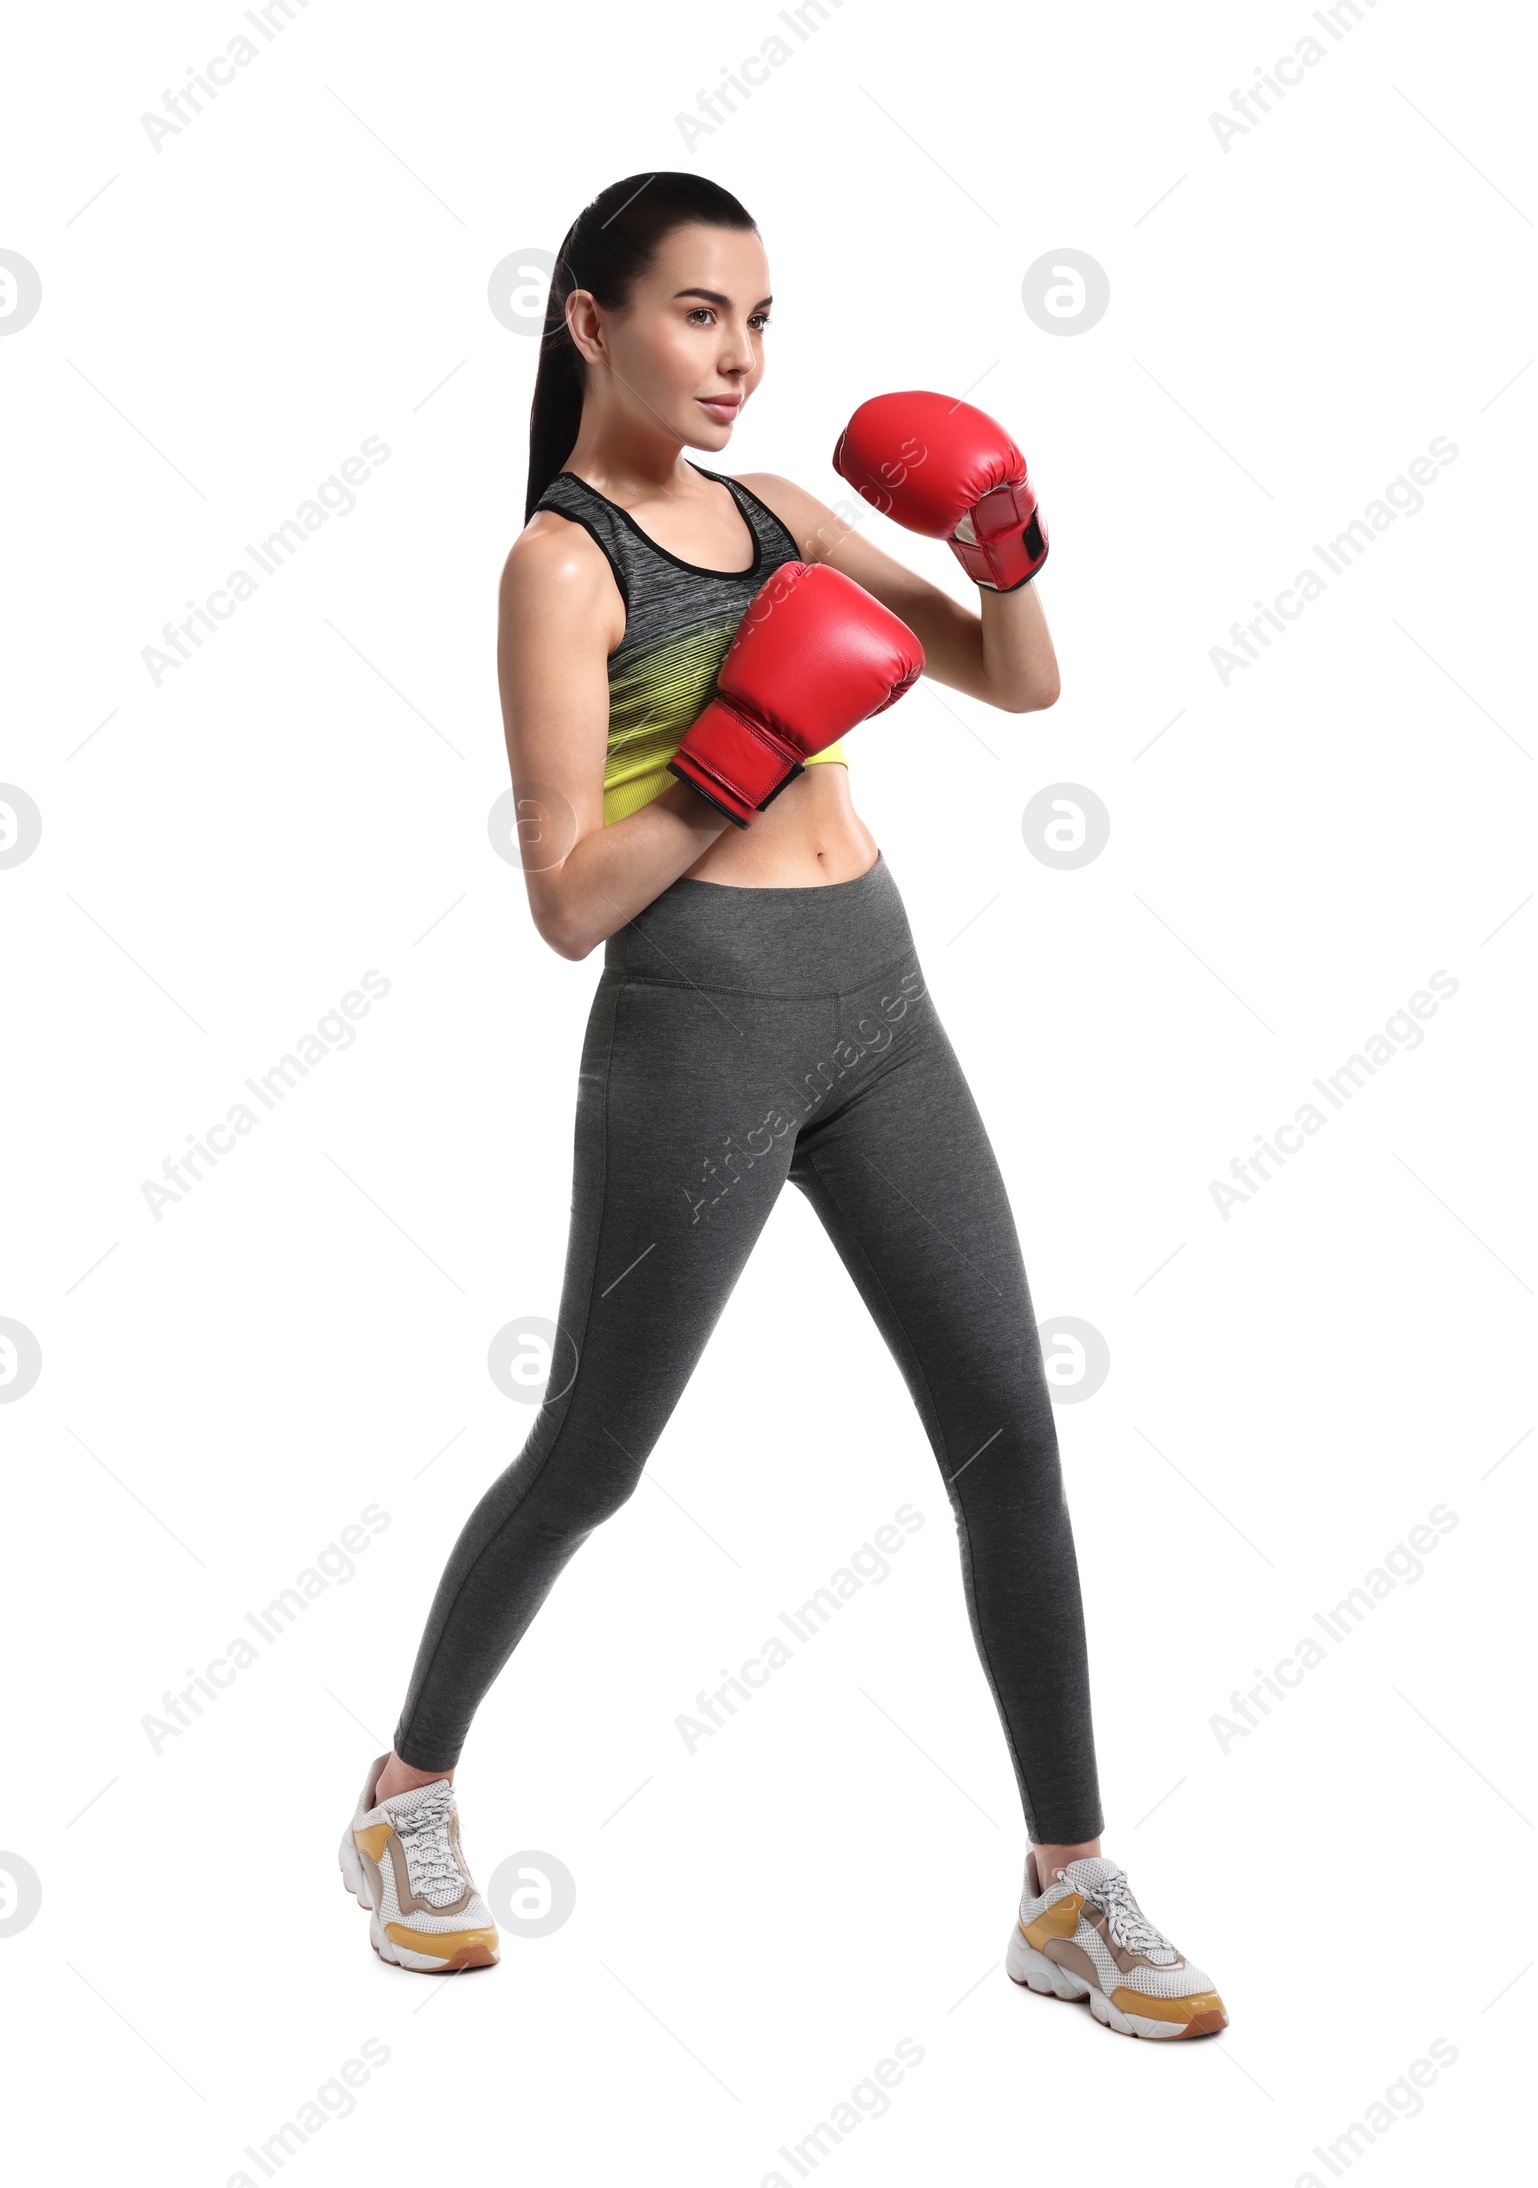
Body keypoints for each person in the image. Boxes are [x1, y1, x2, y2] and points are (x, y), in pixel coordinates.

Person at [337, 171, 1226, 2040]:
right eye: (696, 314)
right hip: (702, 1033)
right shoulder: (560, 565)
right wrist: (740, 753)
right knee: (595, 1453)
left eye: (759, 321)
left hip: (879, 1002)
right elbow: (566, 903)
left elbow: (1015, 680)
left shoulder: (777, 513)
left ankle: (1067, 1889)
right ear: (590, 321)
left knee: (1009, 1433)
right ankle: (407, 1793)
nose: (737, 359)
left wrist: (1005, 538)